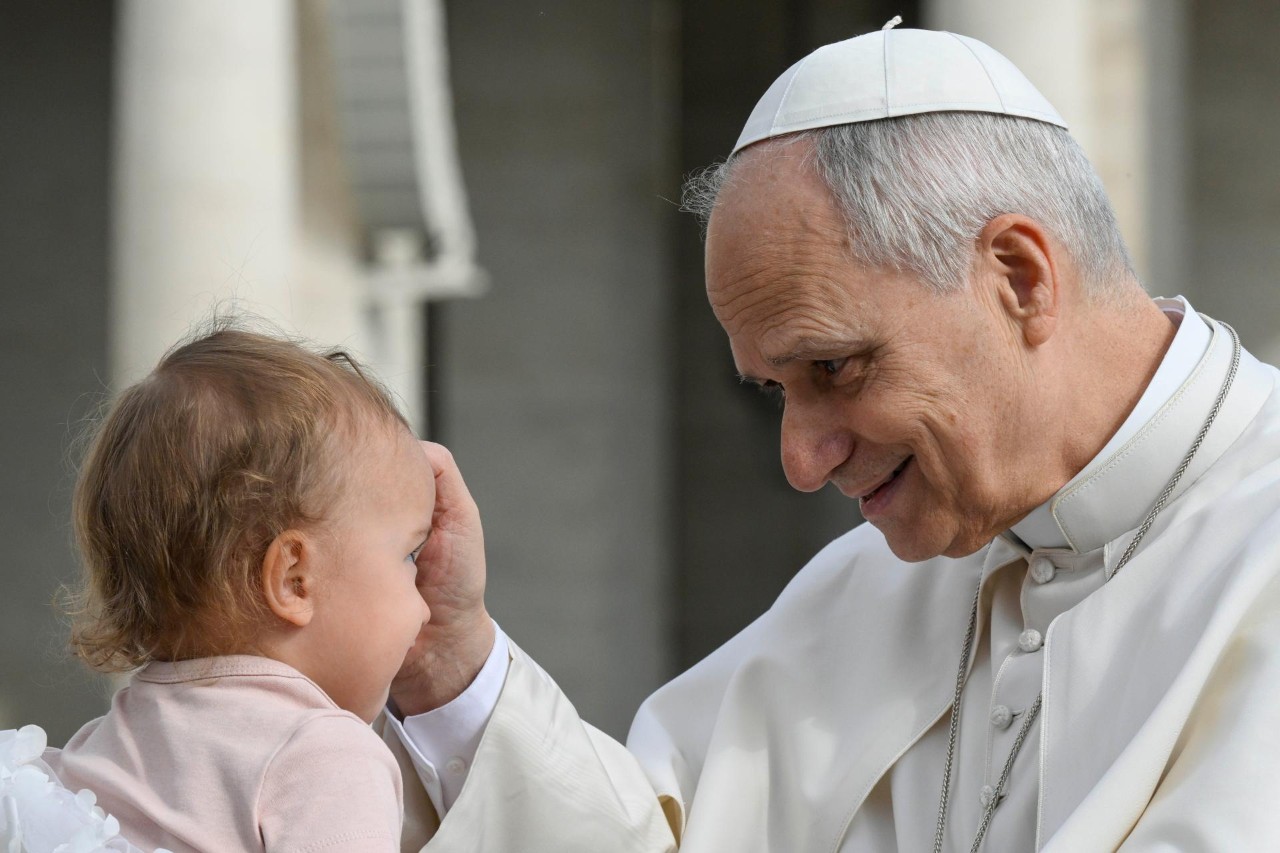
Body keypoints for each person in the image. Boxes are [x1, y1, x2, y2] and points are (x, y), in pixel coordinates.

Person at [387, 25, 1280, 852]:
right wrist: (454, 667)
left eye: (837, 368)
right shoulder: (871, 590)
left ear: (1019, 277)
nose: (801, 461)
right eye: (774, 390)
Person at [40, 326, 439, 851]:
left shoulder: (106, 743)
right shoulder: (324, 755)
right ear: (295, 579)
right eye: (410, 555)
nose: (427, 606)